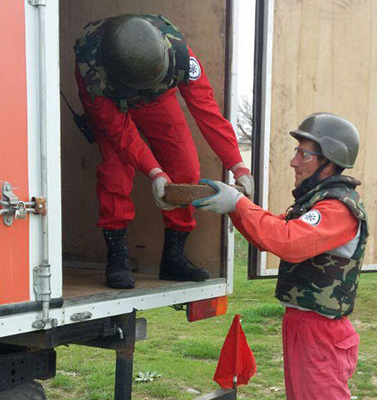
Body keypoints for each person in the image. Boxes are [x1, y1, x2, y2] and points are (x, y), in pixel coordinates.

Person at [192, 113, 369, 400]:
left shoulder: (338, 208)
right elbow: (272, 231)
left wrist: (238, 203)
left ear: (329, 160)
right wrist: (236, 208)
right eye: (296, 152)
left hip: (321, 330)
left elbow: (287, 241)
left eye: (304, 153)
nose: (294, 161)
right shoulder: (317, 202)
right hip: (304, 323)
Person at [74, 14, 253, 289]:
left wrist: (238, 165)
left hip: (156, 98)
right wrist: (154, 170)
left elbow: (207, 111)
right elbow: (121, 133)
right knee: (115, 171)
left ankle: (173, 257)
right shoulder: (92, 73)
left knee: (186, 166)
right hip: (113, 100)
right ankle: (118, 256)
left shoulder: (179, 54)